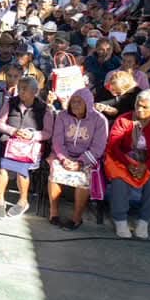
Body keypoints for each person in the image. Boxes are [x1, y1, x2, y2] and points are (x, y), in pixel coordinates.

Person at [105, 89, 150, 239]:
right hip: (124, 158)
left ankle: (144, 221)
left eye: (145, 107)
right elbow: (114, 146)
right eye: (137, 105)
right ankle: (120, 220)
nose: (139, 110)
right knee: (119, 181)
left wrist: (145, 165)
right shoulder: (123, 120)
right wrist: (128, 164)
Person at [47, 88, 109, 229]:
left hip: (87, 157)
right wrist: (64, 159)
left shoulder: (99, 120)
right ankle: (54, 213)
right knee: (55, 170)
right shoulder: (62, 116)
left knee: (84, 177)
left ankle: (76, 218)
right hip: (64, 155)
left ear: (88, 103)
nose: (74, 105)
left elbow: (98, 147)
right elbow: (57, 141)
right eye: (73, 101)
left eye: (79, 102)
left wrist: (80, 162)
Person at [0, 77, 54, 218]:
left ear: (35, 91)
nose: (21, 91)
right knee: (2, 167)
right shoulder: (11, 103)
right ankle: (0, 201)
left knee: (22, 169)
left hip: (30, 147)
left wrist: (32, 135)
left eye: (25, 89)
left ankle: (23, 201)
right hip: (11, 144)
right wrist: (13, 131)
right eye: (20, 88)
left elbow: (48, 132)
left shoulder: (45, 109)